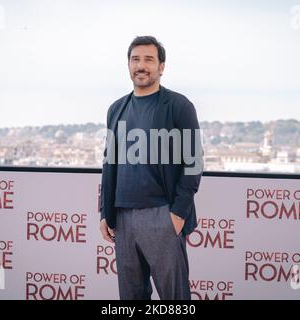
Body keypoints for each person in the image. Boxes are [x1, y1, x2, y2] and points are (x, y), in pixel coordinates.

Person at [99, 35, 203, 300]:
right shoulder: (116, 109)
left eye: (149, 59)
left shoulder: (179, 106)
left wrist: (177, 213)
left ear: (161, 67)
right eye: (135, 59)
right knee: (131, 297)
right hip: (123, 218)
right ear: (128, 65)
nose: (141, 66)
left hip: (162, 214)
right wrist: (104, 211)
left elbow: (194, 162)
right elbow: (109, 162)